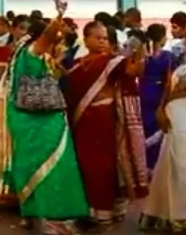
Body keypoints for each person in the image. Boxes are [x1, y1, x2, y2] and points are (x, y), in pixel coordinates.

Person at [0, 12, 89, 235]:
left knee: (31, 164)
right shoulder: (33, 50)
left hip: (28, 118)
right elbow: (46, 39)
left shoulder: (24, 52)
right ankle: (54, 217)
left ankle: (34, 214)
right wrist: (57, 21)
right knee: (54, 165)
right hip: (40, 121)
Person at [64, 19, 148, 227]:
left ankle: (104, 211)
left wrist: (138, 52)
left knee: (103, 166)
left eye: (105, 39)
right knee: (84, 165)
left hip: (104, 122)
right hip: (82, 122)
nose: (102, 42)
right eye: (98, 38)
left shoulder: (113, 62)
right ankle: (86, 209)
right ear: (86, 39)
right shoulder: (76, 65)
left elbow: (134, 72)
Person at [139, 60, 186, 231]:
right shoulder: (181, 68)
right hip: (175, 114)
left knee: (179, 162)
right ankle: (169, 215)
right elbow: (169, 91)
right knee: (170, 160)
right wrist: (161, 109)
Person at [141, 23, 177, 173]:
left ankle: (144, 164)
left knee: (144, 127)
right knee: (158, 128)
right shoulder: (168, 56)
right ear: (163, 38)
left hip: (142, 91)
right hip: (157, 92)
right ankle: (155, 166)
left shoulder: (143, 56)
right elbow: (169, 81)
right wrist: (164, 102)